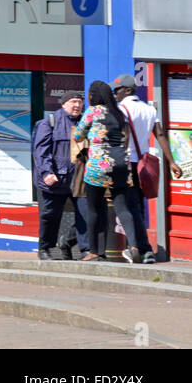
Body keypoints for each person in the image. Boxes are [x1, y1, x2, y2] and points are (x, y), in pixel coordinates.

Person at [112, 74, 184, 264]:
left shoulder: (122, 109)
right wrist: (172, 162)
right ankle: (143, 250)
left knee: (129, 207)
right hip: (144, 165)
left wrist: (119, 159)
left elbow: (125, 136)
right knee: (137, 206)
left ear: (127, 90)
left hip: (127, 163)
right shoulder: (150, 109)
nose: (115, 93)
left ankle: (141, 248)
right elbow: (160, 135)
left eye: (117, 90)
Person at [73, 81, 141, 263]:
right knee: (122, 207)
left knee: (94, 209)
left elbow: (77, 135)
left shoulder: (93, 111)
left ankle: (94, 251)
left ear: (94, 95)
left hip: (99, 164)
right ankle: (134, 246)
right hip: (121, 164)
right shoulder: (119, 112)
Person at [32, 90, 88, 260]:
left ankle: (84, 248)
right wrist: (47, 172)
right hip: (55, 180)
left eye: (79, 102)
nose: (77, 105)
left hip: (78, 179)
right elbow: (41, 151)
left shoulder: (85, 123)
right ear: (64, 104)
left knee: (85, 214)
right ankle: (45, 248)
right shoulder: (49, 122)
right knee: (50, 216)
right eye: (73, 102)